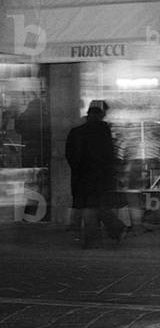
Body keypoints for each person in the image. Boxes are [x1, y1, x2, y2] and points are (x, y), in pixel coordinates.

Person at [65, 100, 125, 249]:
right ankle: (113, 230)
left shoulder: (76, 132)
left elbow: (70, 156)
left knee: (90, 207)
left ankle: (99, 237)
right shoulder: (103, 130)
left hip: (82, 176)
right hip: (100, 177)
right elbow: (109, 154)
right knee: (95, 207)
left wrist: (77, 170)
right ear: (101, 114)